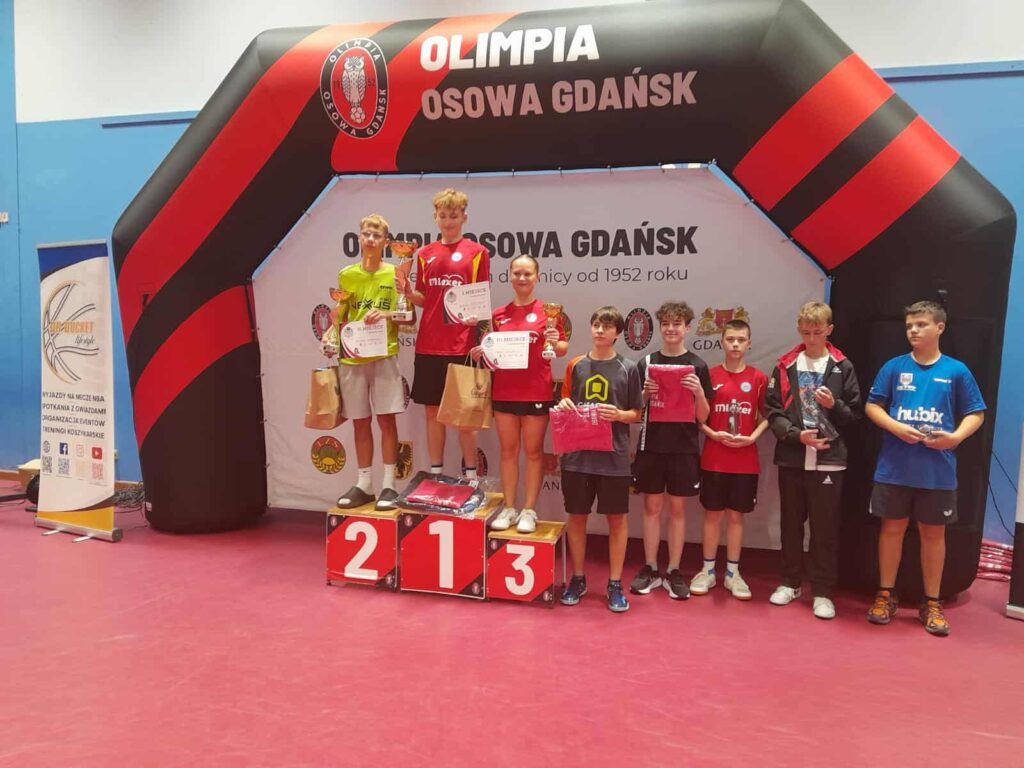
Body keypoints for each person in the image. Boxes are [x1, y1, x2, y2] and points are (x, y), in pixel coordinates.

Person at [864, 300, 985, 636]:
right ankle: (885, 595)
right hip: (894, 468)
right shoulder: (894, 367)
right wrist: (895, 427)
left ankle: (932, 602)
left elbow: (976, 413)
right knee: (891, 530)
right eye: (909, 326)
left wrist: (955, 437)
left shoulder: (957, 371)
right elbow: (873, 406)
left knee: (934, 535)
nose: (913, 331)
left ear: (939, 327)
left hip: (937, 471)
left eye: (921, 324)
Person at [765, 302, 861, 619]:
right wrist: (796, 435)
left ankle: (822, 590)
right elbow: (773, 411)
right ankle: (790, 582)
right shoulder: (785, 365)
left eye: (817, 332)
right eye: (805, 332)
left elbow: (854, 414)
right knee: (790, 523)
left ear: (829, 330)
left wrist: (834, 405)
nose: (811, 338)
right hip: (793, 455)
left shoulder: (842, 366)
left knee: (825, 527)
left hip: (829, 458)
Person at [471, 255, 567, 534]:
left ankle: (529, 510)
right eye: (517, 273)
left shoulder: (549, 313)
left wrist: (553, 342)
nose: (522, 278)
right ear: (510, 276)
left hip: (536, 390)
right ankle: (510, 507)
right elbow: (493, 351)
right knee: (508, 451)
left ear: (537, 277)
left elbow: (561, 348)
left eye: (527, 274)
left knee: (534, 453)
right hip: (504, 390)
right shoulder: (499, 314)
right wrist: (482, 352)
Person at [556, 306, 643, 613]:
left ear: (617, 333)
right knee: (577, 518)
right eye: (596, 324)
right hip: (577, 457)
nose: (600, 330)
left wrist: (619, 414)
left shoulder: (628, 368)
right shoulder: (576, 365)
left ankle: (615, 583)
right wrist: (564, 404)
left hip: (614, 459)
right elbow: (565, 401)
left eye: (606, 326)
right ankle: (578, 579)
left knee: (617, 521)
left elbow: (637, 414)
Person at [324, 213, 411, 511]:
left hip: (384, 353)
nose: (371, 239)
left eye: (377, 235)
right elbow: (341, 314)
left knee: (386, 419)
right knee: (360, 421)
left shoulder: (396, 273)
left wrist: (386, 314)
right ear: (359, 238)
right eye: (366, 234)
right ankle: (364, 484)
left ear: (386, 241)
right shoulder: (347, 275)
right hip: (353, 356)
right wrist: (331, 335)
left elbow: (408, 316)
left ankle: (389, 484)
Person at [403, 188, 490, 478]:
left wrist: (479, 329)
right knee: (432, 413)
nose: (448, 221)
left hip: (461, 346)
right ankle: (436, 473)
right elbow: (424, 298)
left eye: (454, 215)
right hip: (428, 345)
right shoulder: (424, 254)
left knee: (465, 418)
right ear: (435, 217)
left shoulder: (477, 253)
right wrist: (408, 292)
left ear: (464, 217)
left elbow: (481, 298)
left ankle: (471, 477)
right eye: (443, 215)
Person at [628, 301, 712, 600]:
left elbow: (704, 417)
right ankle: (651, 567)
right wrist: (644, 394)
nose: (671, 329)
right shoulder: (646, 362)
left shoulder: (698, 366)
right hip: (651, 445)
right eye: (666, 324)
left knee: (677, 510)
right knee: (651, 507)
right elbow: (634, 411)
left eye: (677, 324)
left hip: (684, 448)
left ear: (687, 328)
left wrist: (698, 392)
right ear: (660, 327)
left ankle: (674, 569)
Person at [692, 318, 769, 600]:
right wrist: (712, 433)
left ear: (749, 344)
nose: (735, 344)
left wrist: (752, 438)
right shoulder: (710, 375)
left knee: (736, 517)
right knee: (712, 515)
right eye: (730, 339)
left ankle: (733, 573)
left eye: (741, 340)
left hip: (745, 460)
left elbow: (768, 417)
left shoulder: (759, 378)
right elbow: (699, 417)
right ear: (721, 342)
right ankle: (708, 570)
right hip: (714, 458)